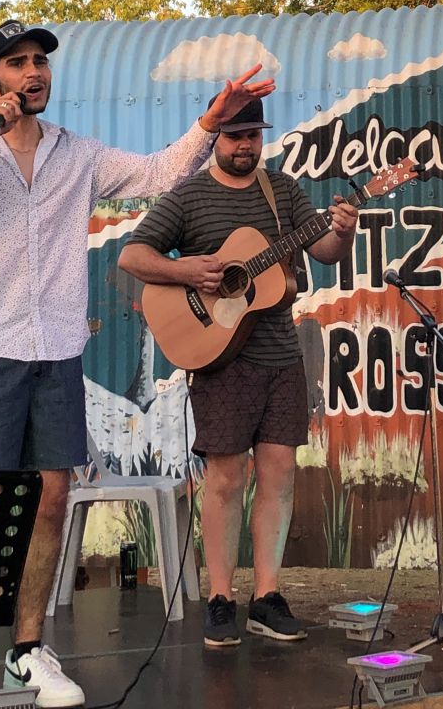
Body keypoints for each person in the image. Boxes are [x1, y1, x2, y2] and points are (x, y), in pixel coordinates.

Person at [0, 19, 274, 709]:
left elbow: (154, 176)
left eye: (40, 63)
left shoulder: (75, 154)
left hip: (55, 353)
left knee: (51, 499)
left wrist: (208, 124)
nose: (34, 73)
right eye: (17, 63)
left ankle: (29, 648)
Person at [117, 94, 357, 648]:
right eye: (235, 136)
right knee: (226, 481)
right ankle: (222, 598)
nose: (246, 145)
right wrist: (186, 270)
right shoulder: (190, 196)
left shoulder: (283, 193)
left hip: (280, 357)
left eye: (253, 135)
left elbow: (323, 250)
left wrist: (342, 229)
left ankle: (267, 598)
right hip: (221, 363)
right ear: (216, 140)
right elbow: (133, 256)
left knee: (279, 475)